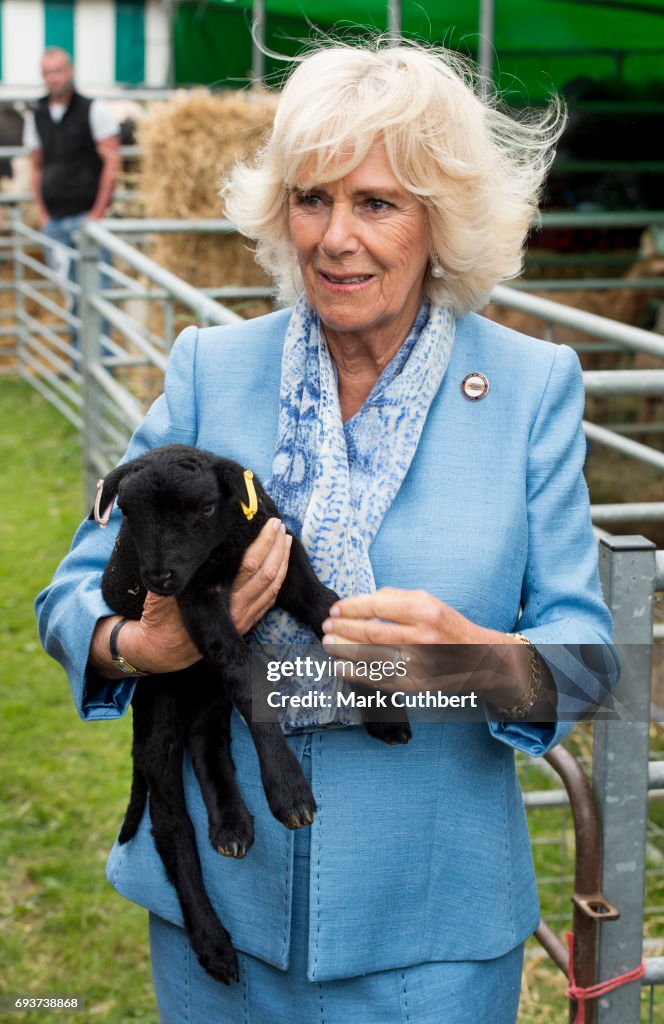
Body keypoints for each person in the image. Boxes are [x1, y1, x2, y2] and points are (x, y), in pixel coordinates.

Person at [36, 41, 619, 1024]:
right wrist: (139, 643)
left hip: (430, 935)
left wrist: (471, 658)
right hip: (222, 923)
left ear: (441, 220)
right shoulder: (211, 368)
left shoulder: (529, 390)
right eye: (312, 199)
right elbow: (69, 596)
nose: (335, 237)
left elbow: (588, 659)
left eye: (376, 203)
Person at [23, 47, 120, 352]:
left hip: (86, 217)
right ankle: (79, 362)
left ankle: (99, 363)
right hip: (54, 221)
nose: (53, 78)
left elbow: (112, 161)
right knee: (71, 295)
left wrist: (97, 213)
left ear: (70, 71)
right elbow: (36, 166)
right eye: (47, 73)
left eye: (58, 71)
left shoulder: (93, 109)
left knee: (96, 293)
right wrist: (42, 213)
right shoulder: (36, 114)